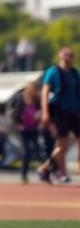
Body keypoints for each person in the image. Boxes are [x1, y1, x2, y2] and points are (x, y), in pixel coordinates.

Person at [40, 46, 78, 184]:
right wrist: (45, 112)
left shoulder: (74, 73)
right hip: (60, 112)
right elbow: (45, 92)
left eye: (71, 55)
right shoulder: (53, 71)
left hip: (74, 111)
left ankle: (47, 168)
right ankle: (54, 170)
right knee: (62, 145)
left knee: (66, 145)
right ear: (60, 55)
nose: (68, 57)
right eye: (66, 54)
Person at [7, 81, 43, 183]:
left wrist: (39, 117)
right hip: (23, 129)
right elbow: (14, 112)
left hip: (34, 128)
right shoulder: (20, 98)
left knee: (39, 151)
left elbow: (41, 110)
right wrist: (18, 123)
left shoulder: (36, 99)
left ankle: (44, 172)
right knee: (26, 151)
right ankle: (23, 174)